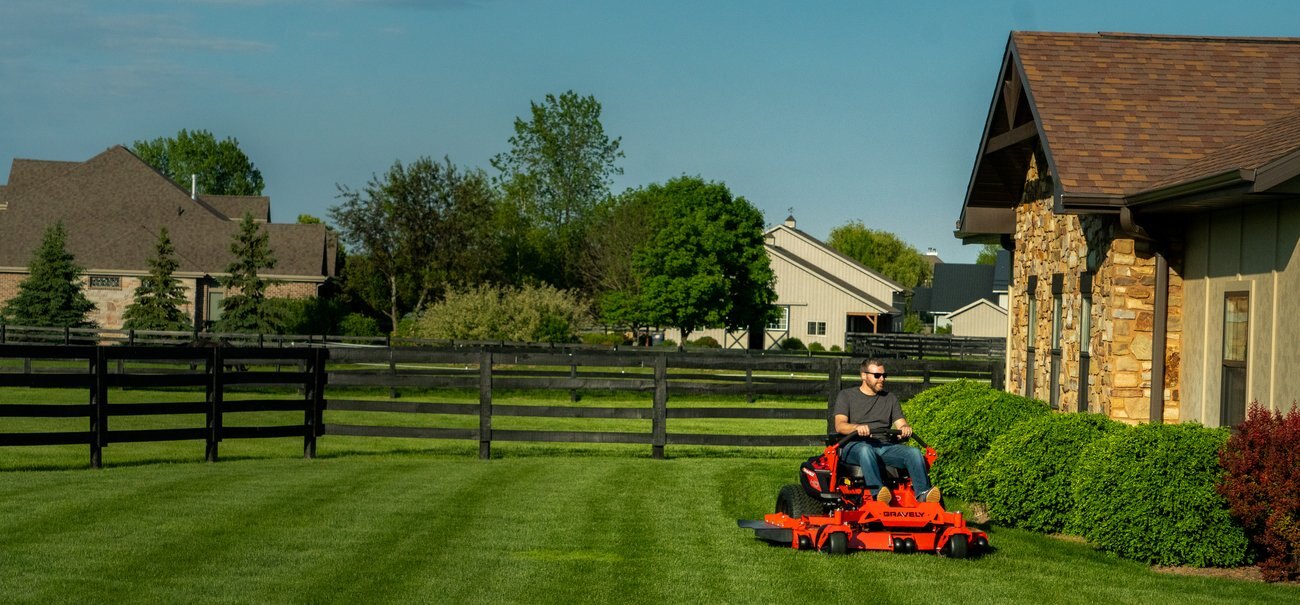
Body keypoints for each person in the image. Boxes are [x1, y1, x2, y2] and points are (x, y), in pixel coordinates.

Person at [832, 359, 941, 505]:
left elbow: (901, 422)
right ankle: (879, 494)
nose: (882, 379)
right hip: (854, 445)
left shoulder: (890, 398)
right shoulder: (846, 396)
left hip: (883, 446)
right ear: (864, 376)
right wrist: (857, 428)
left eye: (884, 375)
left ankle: (923, 494)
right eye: (877, 376)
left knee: (913, 452)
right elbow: (840, 425)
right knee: (865, 450)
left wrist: (904, 429)